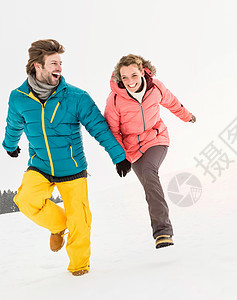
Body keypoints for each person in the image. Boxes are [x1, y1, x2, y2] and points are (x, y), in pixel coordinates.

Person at [2, 39, 128, 276]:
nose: (59, 67)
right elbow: (13, 124)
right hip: (39, 165)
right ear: (37, 66)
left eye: (60, 62)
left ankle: (79, 266)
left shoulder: (76, 97)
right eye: (53, 63)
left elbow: (98, 128)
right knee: (26, 200)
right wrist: (10, 145)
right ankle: (59, 226)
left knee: (79, 218)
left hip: (72, 167)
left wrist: (118, 156)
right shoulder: (18, 97)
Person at [104, 54, 196, 249]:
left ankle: (163, 232)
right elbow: (113, 131)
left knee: (149, 172)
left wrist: (187, 117)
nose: (130, 81)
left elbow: (172, 102)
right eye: (125, 77)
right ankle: (162, 229)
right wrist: (120, 158)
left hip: (156, 138)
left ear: (143, 72)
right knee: (148, 184)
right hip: (131, 149)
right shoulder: (114, 100)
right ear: (119, 78)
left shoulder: (155, 88)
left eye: (134, 75)